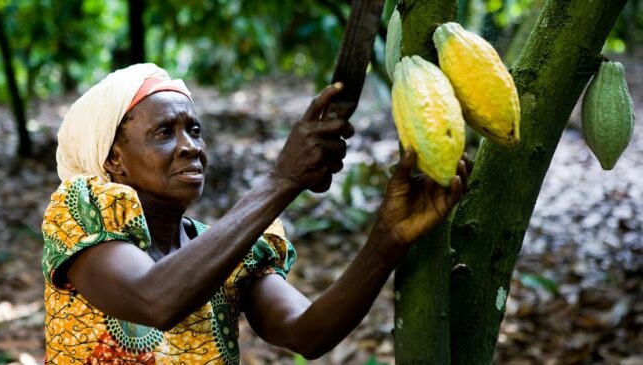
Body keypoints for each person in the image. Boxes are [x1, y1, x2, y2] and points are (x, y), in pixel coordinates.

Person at [42, 63, 470, 364]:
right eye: (164, 132)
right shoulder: (81, 213)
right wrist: (283, 179)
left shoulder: (229, 252)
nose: (191, 146)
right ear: (114, 158)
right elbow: (153, 298)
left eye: (194, 129)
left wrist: (386, 240)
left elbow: (307, 332)